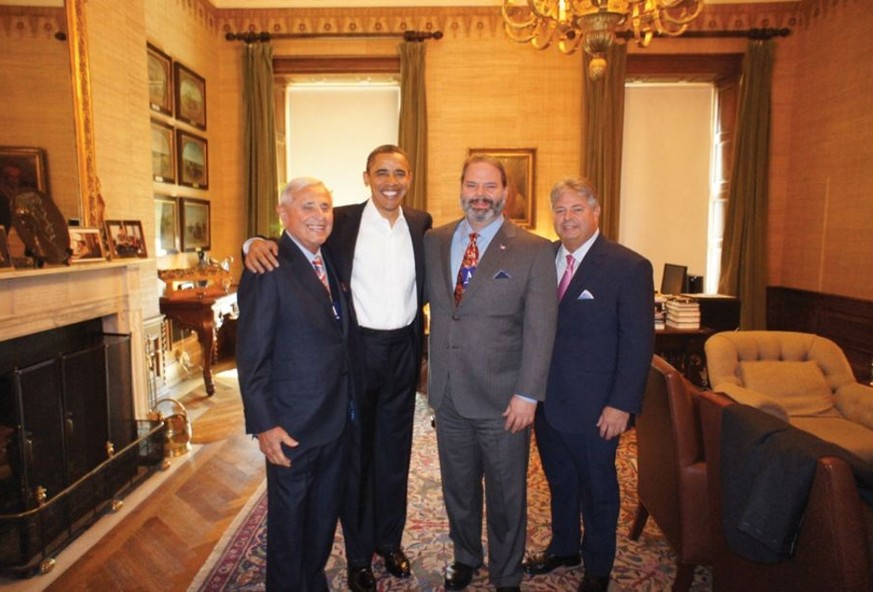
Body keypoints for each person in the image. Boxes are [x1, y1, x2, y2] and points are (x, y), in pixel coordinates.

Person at [244, 145, 432, 592]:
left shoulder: (421, 224)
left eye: (399, 173)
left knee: (394, 456)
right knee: (355, 461)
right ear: (366, 177)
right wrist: (252, 243)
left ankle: (389, 542)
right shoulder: (341, 221)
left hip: (403, 352)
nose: (391, 181)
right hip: (358, 353)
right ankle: (358, 556)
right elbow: (287, 242)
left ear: (410, 177)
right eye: (381, 172)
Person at [424, 154, 557, 592]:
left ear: (506, 192)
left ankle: (506, 573)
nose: (480, 195)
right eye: (472, 185)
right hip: (448, 395)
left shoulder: (534, 250)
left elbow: (541, 329)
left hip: (505, 400)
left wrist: (528, 394)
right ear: (461, 188)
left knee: (506, 495)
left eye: (490, 186)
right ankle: (465, 557)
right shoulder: (434, 241)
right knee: (458, 489)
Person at [522, 178, 654, 592]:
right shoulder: (542, 258)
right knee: (560, 481)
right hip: (547, 402)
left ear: (596, 212)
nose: (567, 218)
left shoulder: (628, 267)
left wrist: (622, 404)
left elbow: (637, 344)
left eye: (577, 209)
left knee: (598, 489)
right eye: (560, 210)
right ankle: (564, 547)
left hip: (597, 408)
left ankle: (598, 567)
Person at [236, 177, 359, 592]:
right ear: (282, 213)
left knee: (322, 516)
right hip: (290, 425)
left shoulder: (330, 259)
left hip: (335, 420)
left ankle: (311, 580)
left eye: (325, 207)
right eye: (308, 206)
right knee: (289, 525)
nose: (319, 216)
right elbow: (251, 357)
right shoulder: (267, 267)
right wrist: (264, 425)